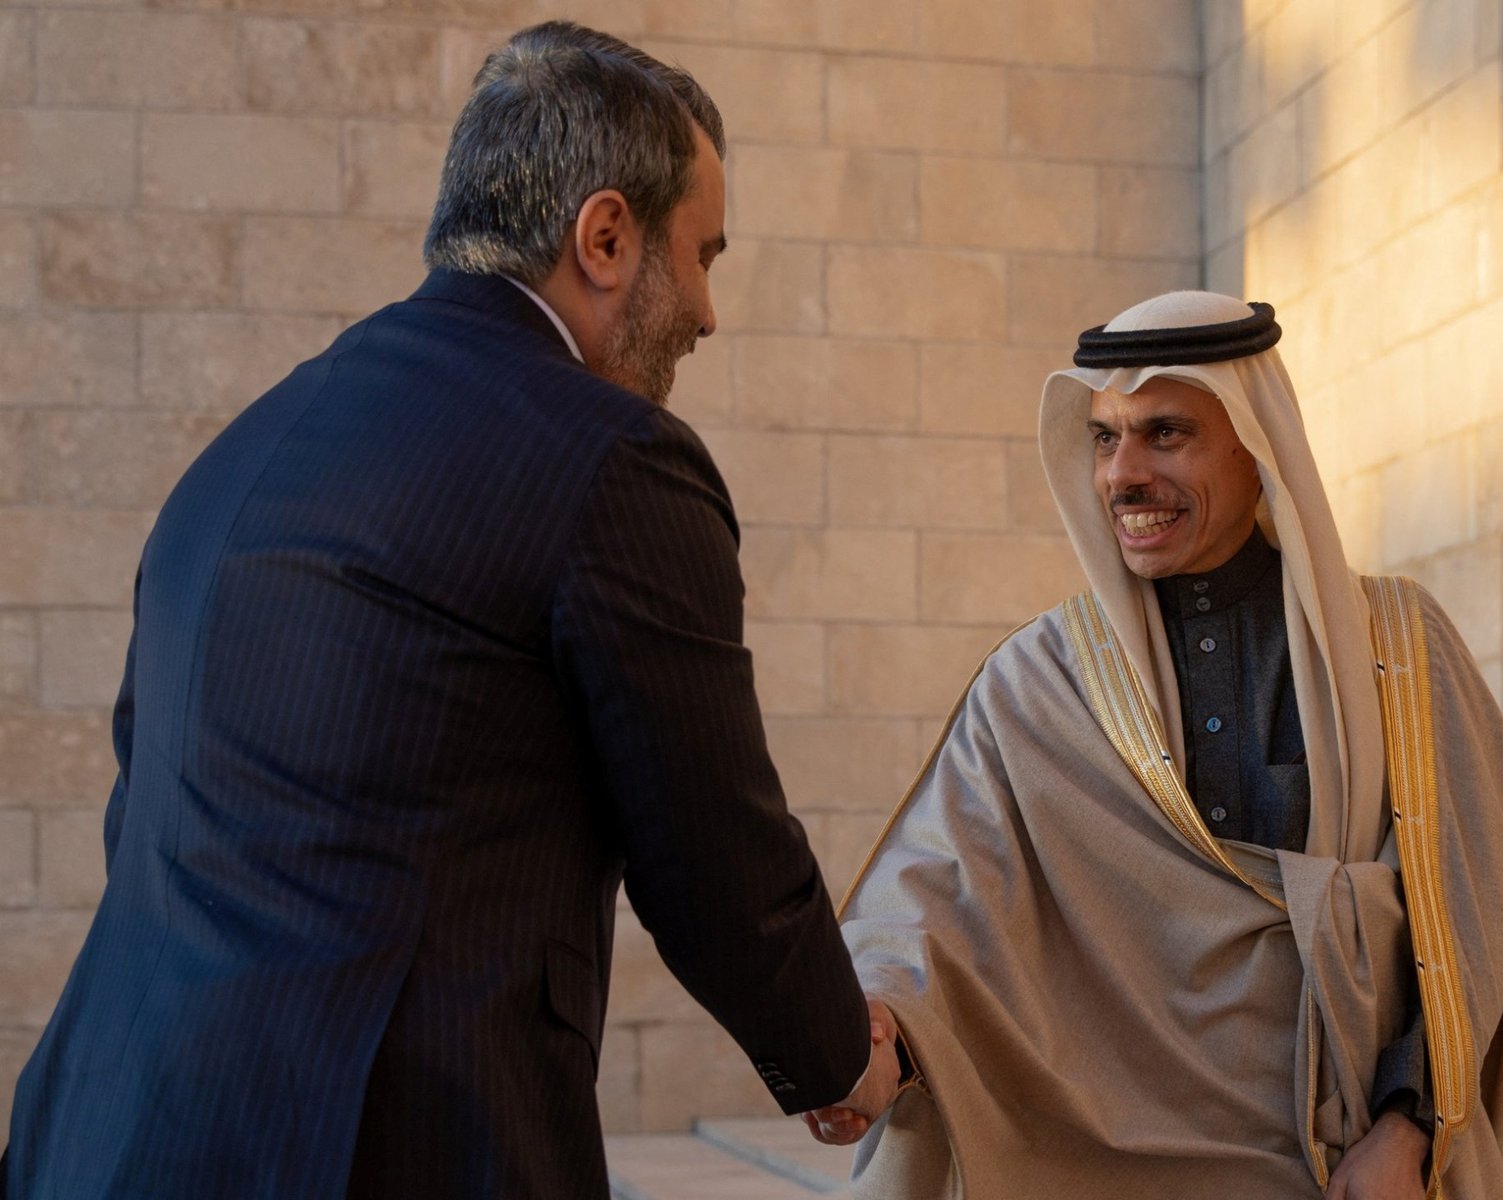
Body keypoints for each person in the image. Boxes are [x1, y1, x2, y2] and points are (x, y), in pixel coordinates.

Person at [3, 22, 898, 1199]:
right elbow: (710, 845)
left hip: (95, 1136)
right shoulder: (615, 460)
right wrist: (840, 1056)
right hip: (371, 1152)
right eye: (702, 256)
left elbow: (143, 808)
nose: (706, 312)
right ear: (606, 237)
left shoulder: (243, 451)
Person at [809, 291, 1503, 1199]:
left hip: (1348, 1159)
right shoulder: (1040, 683)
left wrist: (1408, 1130)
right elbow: (939, 888)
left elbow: (1475, 908)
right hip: (1106, 1161)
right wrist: (878, 1034)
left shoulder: (1395, 651)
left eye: (1165, 434)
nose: (1122, 475)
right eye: (1104, 438)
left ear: (1257, 446)